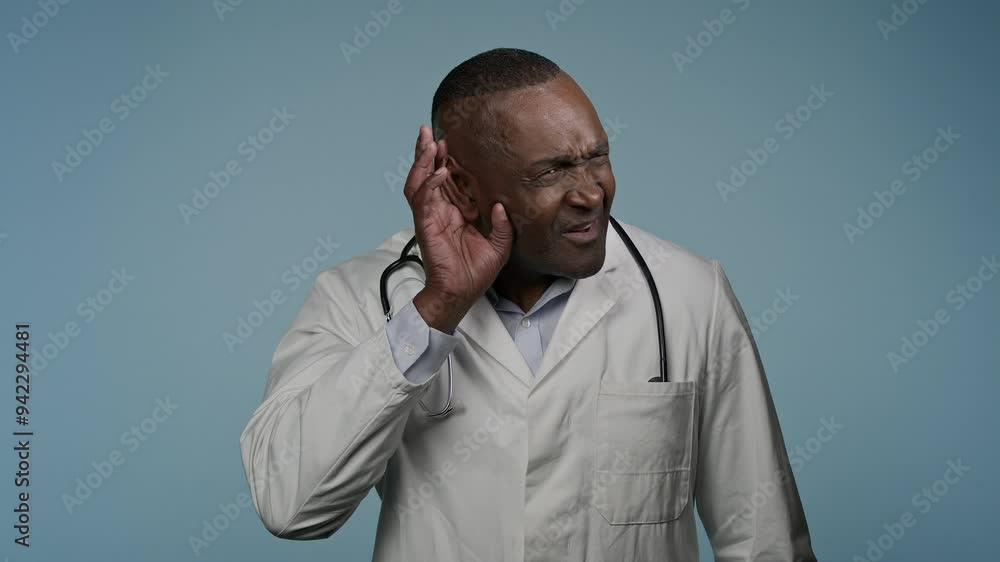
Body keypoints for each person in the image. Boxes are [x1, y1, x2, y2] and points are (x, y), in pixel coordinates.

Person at [239, 48, 817, 561]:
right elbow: (291, 506)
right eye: (553, 171)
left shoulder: (689, 293)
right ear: (463, 187)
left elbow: (764, 541)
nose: (592, 193)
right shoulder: (361, 295)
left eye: (597, 157)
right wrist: (435, 310)